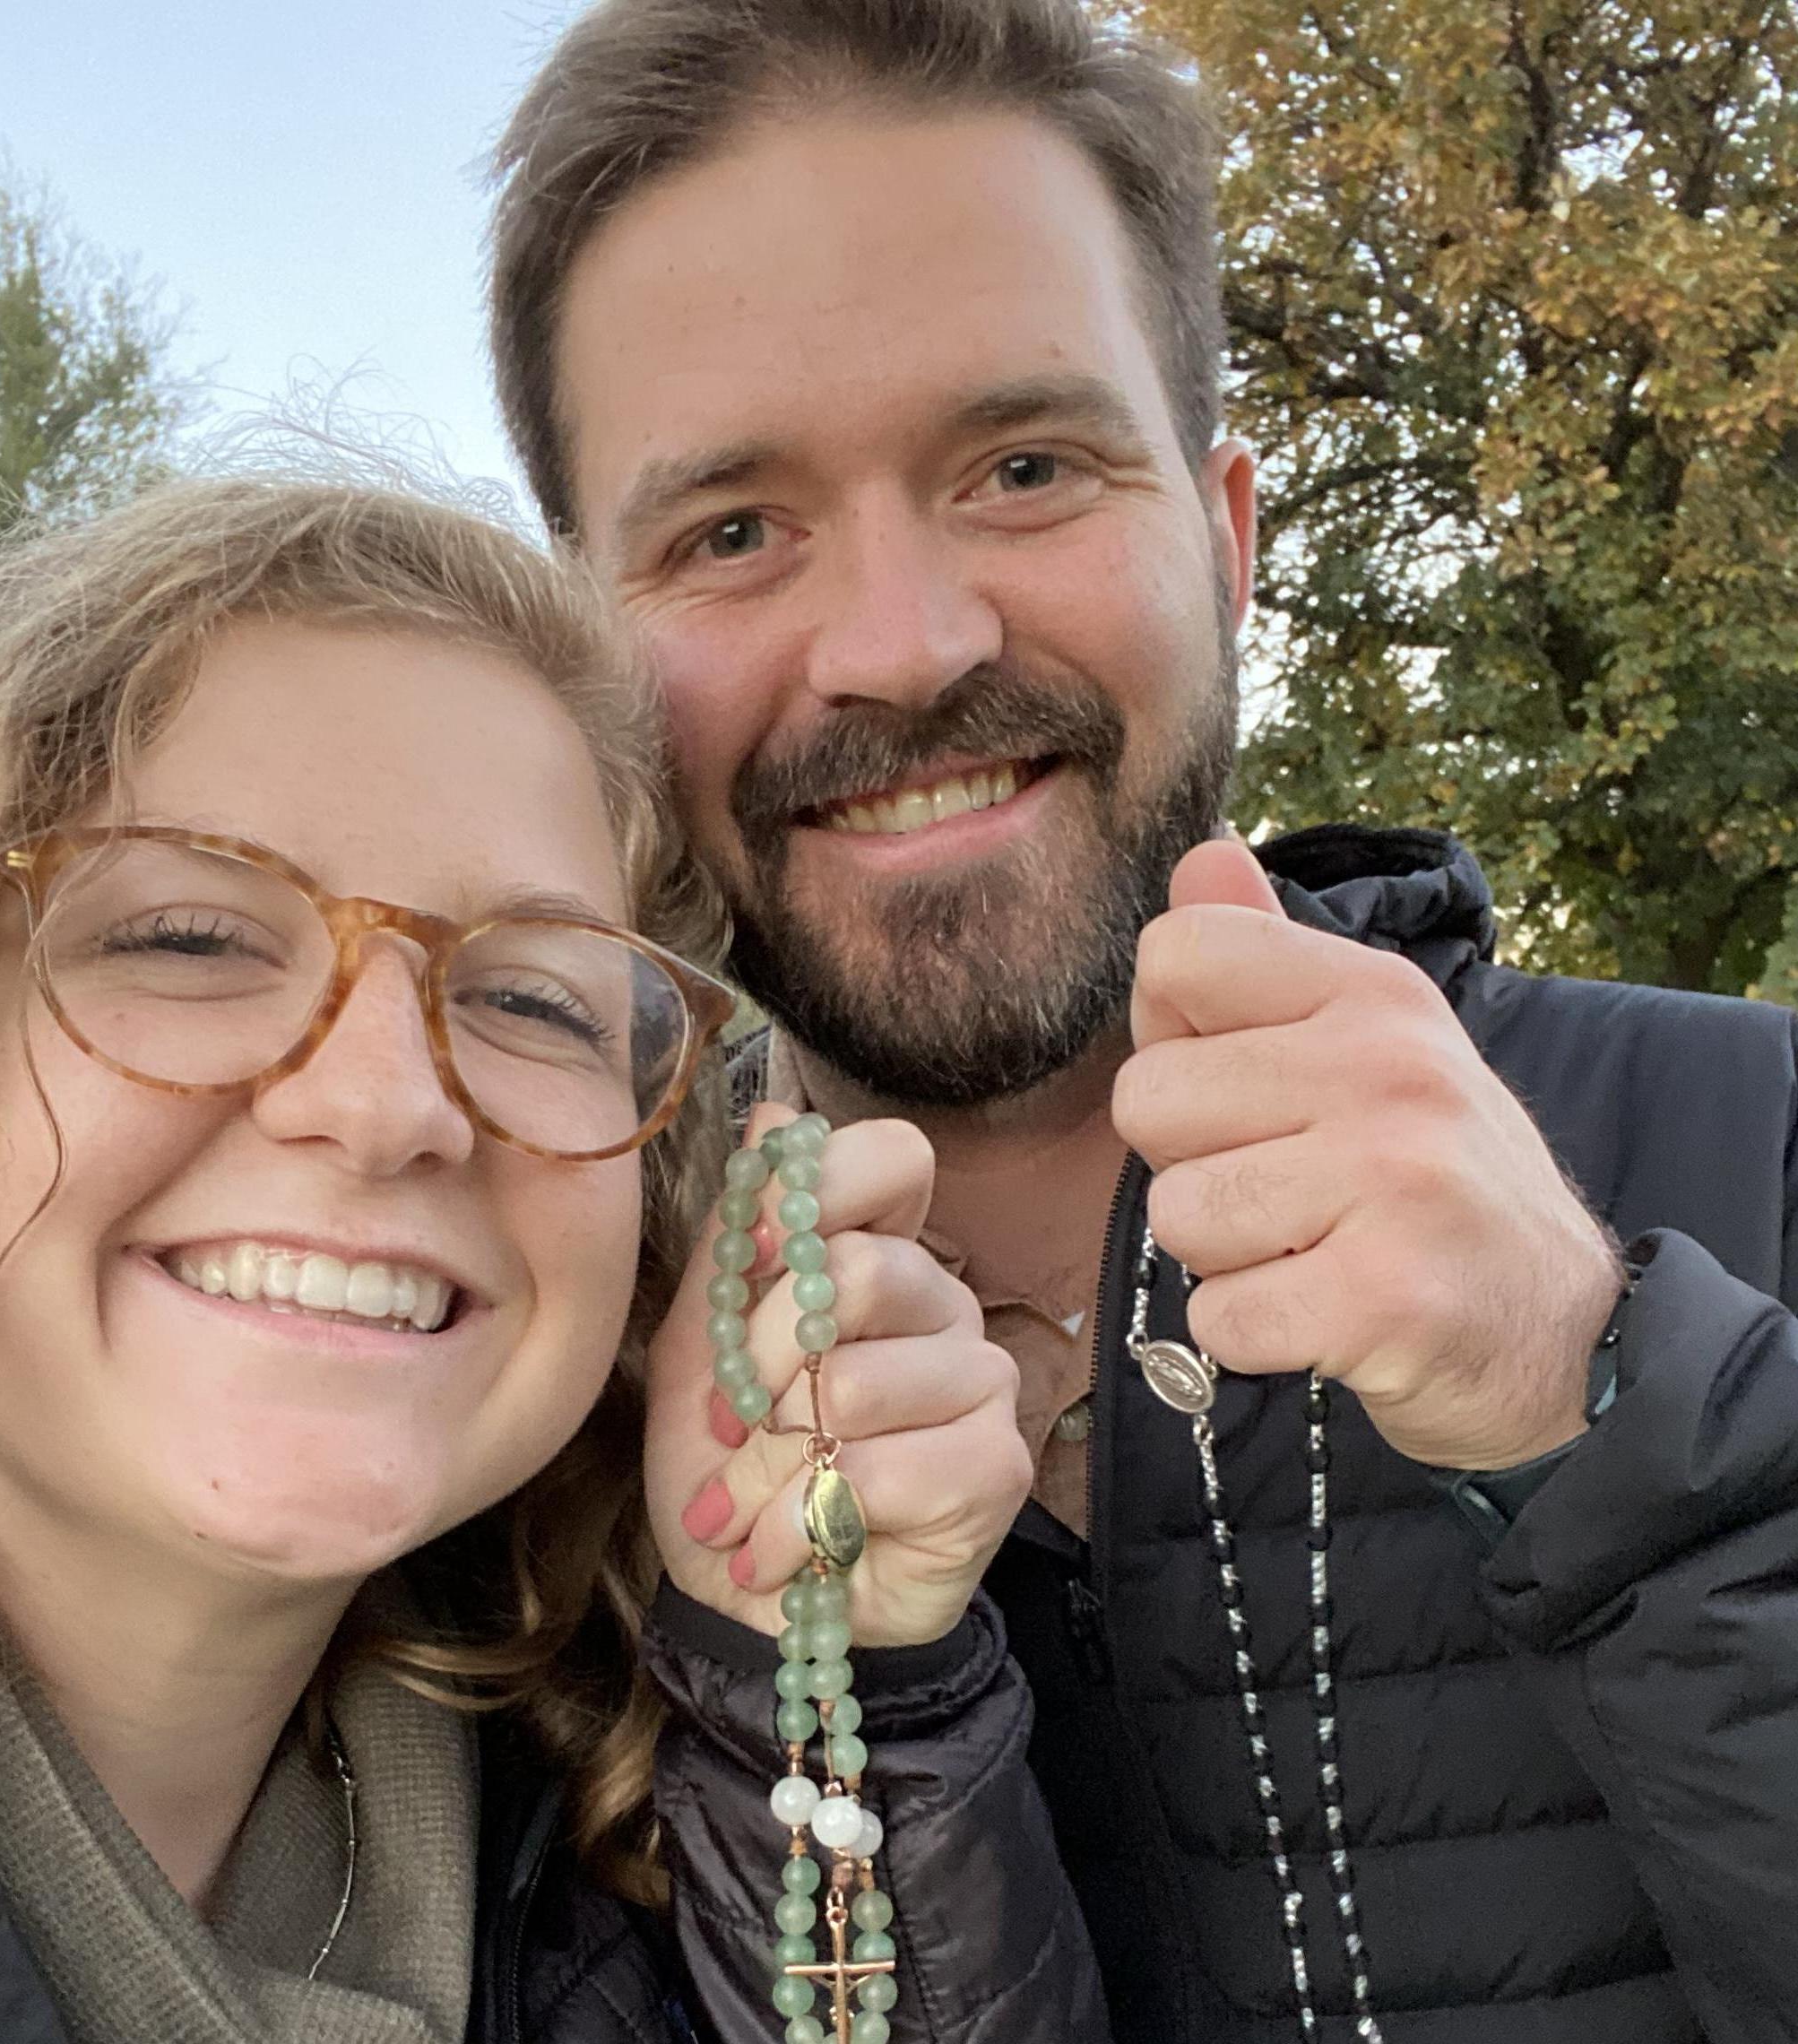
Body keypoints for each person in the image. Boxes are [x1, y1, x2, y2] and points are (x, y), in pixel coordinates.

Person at [487, 4, 1798, 2040]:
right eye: (731, 532)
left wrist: (1617, 1418)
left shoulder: (1764, 1134)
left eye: (1024, 468)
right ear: (581, 654)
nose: (905, 647)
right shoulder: (504, 1424)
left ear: (1229, 539)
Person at [0, 476, 1105, 2044]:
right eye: (192, 937)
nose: (390, 1104)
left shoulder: (603, 1843)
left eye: (532, 1000)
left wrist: (809, 1674)